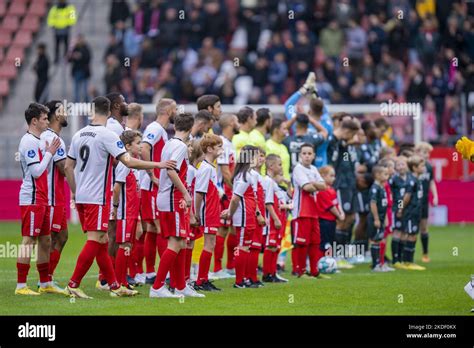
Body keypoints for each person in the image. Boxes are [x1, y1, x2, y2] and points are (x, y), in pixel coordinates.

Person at [64, 96, 176, 299]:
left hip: (82, 196)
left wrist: (75, 190)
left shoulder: (79, 134)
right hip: (97, 196)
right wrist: (158, 165)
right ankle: (73, 284)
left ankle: (115, 285)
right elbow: (129, 162)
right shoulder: (107, 134)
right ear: (108, 112)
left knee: (103, 239)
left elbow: (67, 166)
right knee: (95, 239)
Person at [150, 113, 204, 298]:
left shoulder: (169, 144)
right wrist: (186, 194)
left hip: (166, 197)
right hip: (173, 198)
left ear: (175, 127)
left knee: (181, 242)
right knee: (175, 243)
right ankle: (157, 287)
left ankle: (180, 285)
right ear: (190, 129)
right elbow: (171, 171)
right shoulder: (180, 146)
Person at [16, 103, 61, 296]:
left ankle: (45, 283)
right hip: (32, 198)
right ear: (34, 121)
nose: (47, 121)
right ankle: (21, 286)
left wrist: (48, 153)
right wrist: (50, 153)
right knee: (29, 240)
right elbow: (35, 171)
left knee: (46, 239)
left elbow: (45, 170)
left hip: (42, 197)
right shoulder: (29, 142)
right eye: (44, 118)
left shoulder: (38, 140)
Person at [139, 99, 176, 285]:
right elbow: (143, 148)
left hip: (152, 185)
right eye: (175, 108)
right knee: (160, 227)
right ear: (168, 111)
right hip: (153, 184)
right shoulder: (155, 128)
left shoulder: (159, 129)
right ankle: (165, 273)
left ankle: (151, 272)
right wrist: (152, 174)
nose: (177, 111)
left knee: (153, 229)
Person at [221, 145, 261, 288]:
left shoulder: (246, 174)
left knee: (245, 246)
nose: (259, 158)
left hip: (248, 215)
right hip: (244, 216)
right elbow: (235, 198)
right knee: (242, 247)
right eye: (257, 156)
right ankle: (239, 281)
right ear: (250, 158)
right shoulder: (244, 176)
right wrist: (229, 213)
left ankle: (243, 278)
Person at [41, 100, 69, 290]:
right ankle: (44, 281)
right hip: (50, 197)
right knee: (51, 238)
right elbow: (62, 166)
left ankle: (47, 278)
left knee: (62, 237)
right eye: (63, 110)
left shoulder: (52, 136)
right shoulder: (52, 138)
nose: (66, 113)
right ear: (56, 115)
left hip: (56, 195)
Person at [327, 118, 360, 268]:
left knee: (349, 218)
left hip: (349, 184)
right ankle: (336, 255)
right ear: (348, 131)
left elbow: (344, 162)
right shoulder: (331, 140)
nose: (354, 138)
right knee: (340, 219)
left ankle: (343, 254)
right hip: (339, 185)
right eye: (353, 134)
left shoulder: (342, 144)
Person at [193, 134, 224, 291]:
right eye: (219, 146)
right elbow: (199, 192)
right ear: (210, 149)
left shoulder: (211, 167)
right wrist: (196, 213)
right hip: (207, 212)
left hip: (212, 211)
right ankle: (200, 280)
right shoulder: (205, 168)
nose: (221, 149)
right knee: (209, 244)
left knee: (211, 244)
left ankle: (202, 279)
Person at [291, 143, 327, 277]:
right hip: (301, 211)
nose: (306, 156)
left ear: (313, 156)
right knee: (302, 242)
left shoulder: (313, 169)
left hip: (313, 211)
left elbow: (324, 186)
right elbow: (307, 188)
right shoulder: (298, 169)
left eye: (309, 153)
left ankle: (314, 271)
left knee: (315, 242)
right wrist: (315, 184)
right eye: (304, 153)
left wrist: (314, 184)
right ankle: (301, 271)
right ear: (300, 155)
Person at [112, 130, 142, 289]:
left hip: (131, 213)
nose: (140, 146)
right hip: (124, 212)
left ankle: (123, 281)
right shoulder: (125, 163)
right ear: (128, 146)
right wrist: (115, 208)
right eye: (138, 143)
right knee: (123, 246)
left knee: (128, 246)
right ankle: (119, 283)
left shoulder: (135, 163)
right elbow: (116, 188)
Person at [214, 114, 239, 278]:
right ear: (231, 123)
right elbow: (225, 172)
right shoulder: (222, 143)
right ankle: (217, 269)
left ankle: (230, 266)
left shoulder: (230, 144)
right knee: (222, 229)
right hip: (223, 192)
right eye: (236, 121)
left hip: (231, 191)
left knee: (234, 228)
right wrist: (237, 190)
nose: (239, 124)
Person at [398, 155, 426, 271]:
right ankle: (407, 261)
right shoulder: (411, 181)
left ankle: (410, 261)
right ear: (414, 168)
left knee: (413, 235)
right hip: (410, 213)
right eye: (421, 166)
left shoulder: (417, 180)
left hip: (416, 212)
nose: (424, 168)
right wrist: (400, 209)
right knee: (410, 235)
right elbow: (405, 197)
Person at [261, 154, 285, 283]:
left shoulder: (271, 181)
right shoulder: (268, 181)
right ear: (271, 166)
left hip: (275, 217)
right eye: (279, 164)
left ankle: (272, 273)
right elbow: (268, 202)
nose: (281, 167)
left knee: (275, 246)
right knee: (270, 246)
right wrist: (275, 218)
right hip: (270, 218)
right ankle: (267, 274)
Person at [415, 142, 438, 263]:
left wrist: (435, 196)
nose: (427, 155)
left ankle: (425, 253)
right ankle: (406, 255)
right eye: (424, 152)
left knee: (424, 227)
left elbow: (431, 182)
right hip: (413, 201)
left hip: (424, 201)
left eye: (428, 152)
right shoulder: (412, 166)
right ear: (417, 152)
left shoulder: (429, 167)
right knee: (410, 228)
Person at [316, 166, 345, 257]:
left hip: (331, 220)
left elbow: (336, 203)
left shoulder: (331, 189)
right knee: (325, 242)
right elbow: (330, 206)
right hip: (325, 221)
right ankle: (323, 260)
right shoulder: (322, 190)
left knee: (330, 241)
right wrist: (339, 216)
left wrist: (341, 212)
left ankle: (329, 260)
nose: (334, 178)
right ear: (323, 176)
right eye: (331, 176)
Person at [367, 165, 390, 272]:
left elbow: (383, 206)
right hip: (375, 218)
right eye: (385, 174)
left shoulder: (382, 187)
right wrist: (376, 218)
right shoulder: (375, 188)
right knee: (375, 240)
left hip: (381, 218)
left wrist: (385, 218)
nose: (387, 176)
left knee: (379, 239)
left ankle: (380, 263)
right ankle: (375, 264)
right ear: (377, 175)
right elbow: (373, 204)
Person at [390, 156, 410, 269]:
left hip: (407, 211)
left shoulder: (410, 179)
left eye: (403, 164)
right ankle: (395, 259)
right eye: (399, 165)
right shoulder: (394, 180)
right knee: (397, 232)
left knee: (404, 233)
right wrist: (399, 209)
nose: (401, 167)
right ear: (395, 167)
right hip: (397, 210)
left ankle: (401, 259)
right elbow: (393, 196)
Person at [69, 35, 91, 102]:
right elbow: (69, 59)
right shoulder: (74, 48)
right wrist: (73, 55)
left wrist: (80, 56)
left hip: (84, 71)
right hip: (76, 71)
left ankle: (86, 102)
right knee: (76, 89)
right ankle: (76, 102)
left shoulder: (86, 48)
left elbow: (88, 58)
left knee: (85, 90)